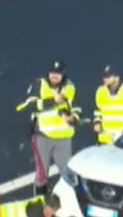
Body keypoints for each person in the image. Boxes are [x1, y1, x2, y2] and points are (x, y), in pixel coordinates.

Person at [20, 60, 79, 197]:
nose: (54, 76)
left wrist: (72, 119)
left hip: (64, 137)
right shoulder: (39, 84)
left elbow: (77, 108)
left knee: (68, 174)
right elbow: (27, 106)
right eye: (52, 73)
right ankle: (40, 203)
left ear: (63, 74)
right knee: (42, 174)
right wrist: (53, 101)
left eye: (58, 73)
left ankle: (67, 203)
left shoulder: (70, 87)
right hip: (42, 135)